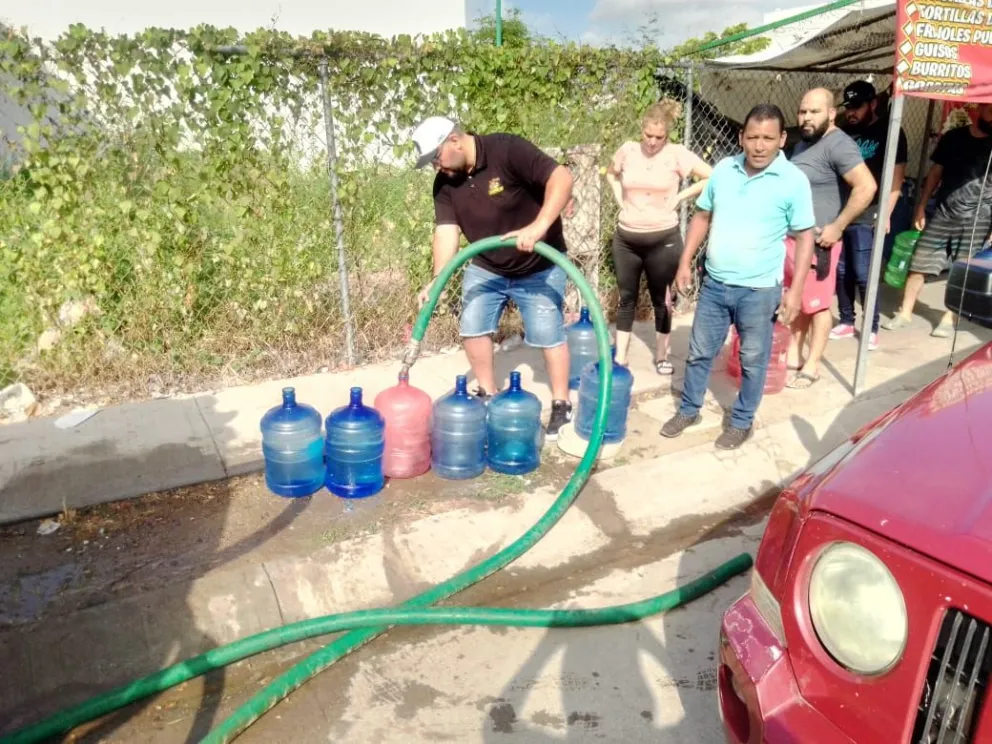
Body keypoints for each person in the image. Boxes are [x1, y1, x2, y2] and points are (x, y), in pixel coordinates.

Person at [660, 104, 816, 451]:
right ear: (741, 137)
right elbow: (702, 216)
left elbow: (805, 236)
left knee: (752, 358)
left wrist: (796, 291)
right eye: (753, 137)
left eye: (768, 138)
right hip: (715, 284)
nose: (759, 146)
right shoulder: (724, 171)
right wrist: (685, 261)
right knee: (700, 353)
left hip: (759, 291)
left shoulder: (793, 181)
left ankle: (742, 421)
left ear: (782, 139)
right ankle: (689, 410)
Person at [410, 116, 576, 439]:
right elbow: (446, 233)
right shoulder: (444, 184)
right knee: (472, 326)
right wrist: (437, 280)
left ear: (454, 141)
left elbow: (562, 178)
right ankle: (489, 394)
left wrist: (538, 227)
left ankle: (560, 403)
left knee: (547, 332)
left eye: (436, 158)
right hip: (487, 265)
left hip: (539, 263)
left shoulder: (507, 149)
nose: (436, 168)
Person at [605, 101, 713, 374]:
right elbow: (610, 174)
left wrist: (679, 196)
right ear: (641, 130)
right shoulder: (628, 150)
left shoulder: (676, 154)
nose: (652, 142)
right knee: (626, 297)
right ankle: (620, 357)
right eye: (648, 136)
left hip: (663, 239)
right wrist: (620, 198)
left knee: (661, 299)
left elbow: (712, 177)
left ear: (667, 135)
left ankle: (662, 356)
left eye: (659, 137)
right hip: (627, 238)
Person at [786, 88, 876, 389]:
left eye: (814, 111)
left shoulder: (838, 144)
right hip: (794, 240)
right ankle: (794, 354)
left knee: (819, 306)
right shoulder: (804, 143)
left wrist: (838, 226)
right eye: (803, 111)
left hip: (819, 243)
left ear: (831, 113)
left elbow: (866, 186)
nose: (807, 117)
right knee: (798, 300)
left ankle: (812, 365)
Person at [883, 103, 992, 337]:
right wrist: (921, 206)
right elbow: (935, 172)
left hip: (979, 217)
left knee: (964, 270)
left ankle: (949, 318)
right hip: (944, 212)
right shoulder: (953, 138)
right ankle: (905, 312)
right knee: (919, 263)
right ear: (980, 108)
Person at [833, 80, 908, 348]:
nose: (851, 112)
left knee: (864, 272)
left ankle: (871, 326)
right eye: (848, 107)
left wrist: (886, 212)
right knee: (841, 272)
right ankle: (846, 320)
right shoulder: (842, 132)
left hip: (870, 212)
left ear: (873, 104)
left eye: (857, 107)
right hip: (841, 212)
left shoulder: (890, 133)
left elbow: (897, 178)